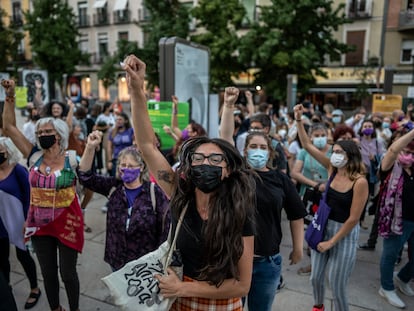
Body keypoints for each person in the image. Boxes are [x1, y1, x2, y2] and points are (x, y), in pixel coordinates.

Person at [123, 55, 256, 310]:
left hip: (220, 303)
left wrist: (183, 287)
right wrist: (137, 90)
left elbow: (241, 285)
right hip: (179, 300)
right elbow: (147, 146)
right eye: (198, 158)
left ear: (228, 171)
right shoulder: (179, 195)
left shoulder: (240, 212)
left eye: (215, 158)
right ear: (189, 166)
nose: (206, 163)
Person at [220, 86, 306, 311]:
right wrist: (229, 106)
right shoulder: (237, 174)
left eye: (262, 147)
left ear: (269, 152)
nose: (258, 150)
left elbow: (296, 215)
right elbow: (226, 137)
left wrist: (298, 248)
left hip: (267, 263)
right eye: (253, 147)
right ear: (245, 151)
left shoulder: (281, 180)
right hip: (233, 261)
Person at [2, 78, 83, 311]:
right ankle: (56, 308)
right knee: (48, 274)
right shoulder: (33, 155)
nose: (43, 134)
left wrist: (84, 205)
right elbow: (8, 128)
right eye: (40, 132)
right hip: (40, 224)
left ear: (58, 134)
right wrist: (9, 96)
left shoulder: (71, 158)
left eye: (48, 131)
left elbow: (88, 184)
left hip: (67, 223)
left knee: (68, 274)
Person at [294, 104, 369, 311]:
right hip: (323, 225)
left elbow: (354, 219)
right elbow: (308, 146)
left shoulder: (359, 182)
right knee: (315, 278)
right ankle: (318, 306)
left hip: (343, 233)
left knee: (337, 286)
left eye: (339, 152)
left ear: (350, 156)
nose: (334, 155)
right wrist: (299, 120)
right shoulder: (332, 169)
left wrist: (331, 242)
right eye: (333, 151)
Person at [78, 140, 170, 271]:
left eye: (132, 166)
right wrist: (90, 147)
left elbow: (166, 228)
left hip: (145, 262)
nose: (127, 169)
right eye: (123, 165)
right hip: (117, 259)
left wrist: (159, 259)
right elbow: (85, 177)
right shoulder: (113, 187)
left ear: (142, 167)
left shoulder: (154, 192)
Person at [0, 137, 41, 310]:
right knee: (2, 258)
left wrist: (27, 220)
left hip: (18, 221)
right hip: (1, 222)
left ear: (8, 150)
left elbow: (30, 196)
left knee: (23, 256)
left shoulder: (18, 170)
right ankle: (6, 287)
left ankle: (34, 288)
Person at [376, 127, 414, 309]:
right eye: (405, 151)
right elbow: (393, 150)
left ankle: (402, 278)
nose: (407, 155)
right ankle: (386, 287)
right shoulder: (390, 165)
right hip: (397, 220)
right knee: (390, 255)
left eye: (411, 152)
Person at [106, 112, 134, 177]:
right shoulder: (112, 132)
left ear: (126, 121)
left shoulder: (130, 131)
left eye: (120, 119)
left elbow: (135, 144)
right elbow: (109, 147)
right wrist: (109, 161)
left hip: (128, 159)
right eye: (117, 120)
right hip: (116, 159)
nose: (118, 121)